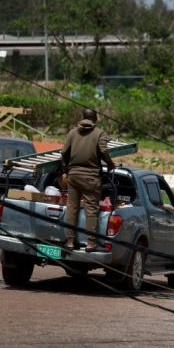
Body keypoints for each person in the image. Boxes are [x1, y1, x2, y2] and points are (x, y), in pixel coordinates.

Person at [61, 108, 115, 251]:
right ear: (95, 119)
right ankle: (91, 242)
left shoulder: (72, 132)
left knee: (72, 208)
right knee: (91, 210)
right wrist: (110, 163)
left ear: (83, 117)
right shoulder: (99, 133)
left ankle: (70, 242)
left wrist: (67, 168)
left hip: (73, 175)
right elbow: (103, 150)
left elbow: (64, 152)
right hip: (91, 176)